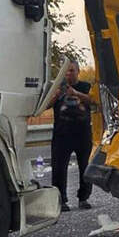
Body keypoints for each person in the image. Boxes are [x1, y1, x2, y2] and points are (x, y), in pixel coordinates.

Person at [49, 61, 93, 212]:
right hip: (62, 134)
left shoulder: (86, 86)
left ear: (78, 71)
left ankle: (83, 198)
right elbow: (46, 105)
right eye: (66, 71)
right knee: (59, 168)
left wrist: (75, 93)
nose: (69, 74)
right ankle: (61, 200)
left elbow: (93, 101)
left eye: (72, 70)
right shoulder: (56, 87)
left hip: (82, 133)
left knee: (85, 167)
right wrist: (56, 95)